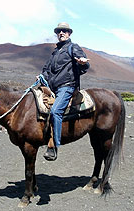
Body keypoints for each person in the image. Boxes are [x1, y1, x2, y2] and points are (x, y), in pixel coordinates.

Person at [40, 22, 90, 161]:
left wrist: (83, 62)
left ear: (69, 33)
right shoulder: (55, 52)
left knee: (56, 111)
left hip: (67, 86)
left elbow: (84, 64)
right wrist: (42, 76)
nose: (61, 33)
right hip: (53, 87)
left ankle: (54, 146)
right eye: (59, 31)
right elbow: (47, 69)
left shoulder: (73, 47)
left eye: (64, 31)